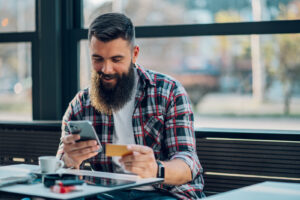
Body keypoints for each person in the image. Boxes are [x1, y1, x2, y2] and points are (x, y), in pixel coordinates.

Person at [57, 13, 204, 200]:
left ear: (134, 54)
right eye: (98, 59)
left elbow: (187, 164)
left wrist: (155, 169)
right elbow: (60, 169)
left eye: (116, 60)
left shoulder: (168, 92)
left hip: (161, 194)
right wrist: (69, 162)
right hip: (104, 194)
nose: (106, 69)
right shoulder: (81, 103)